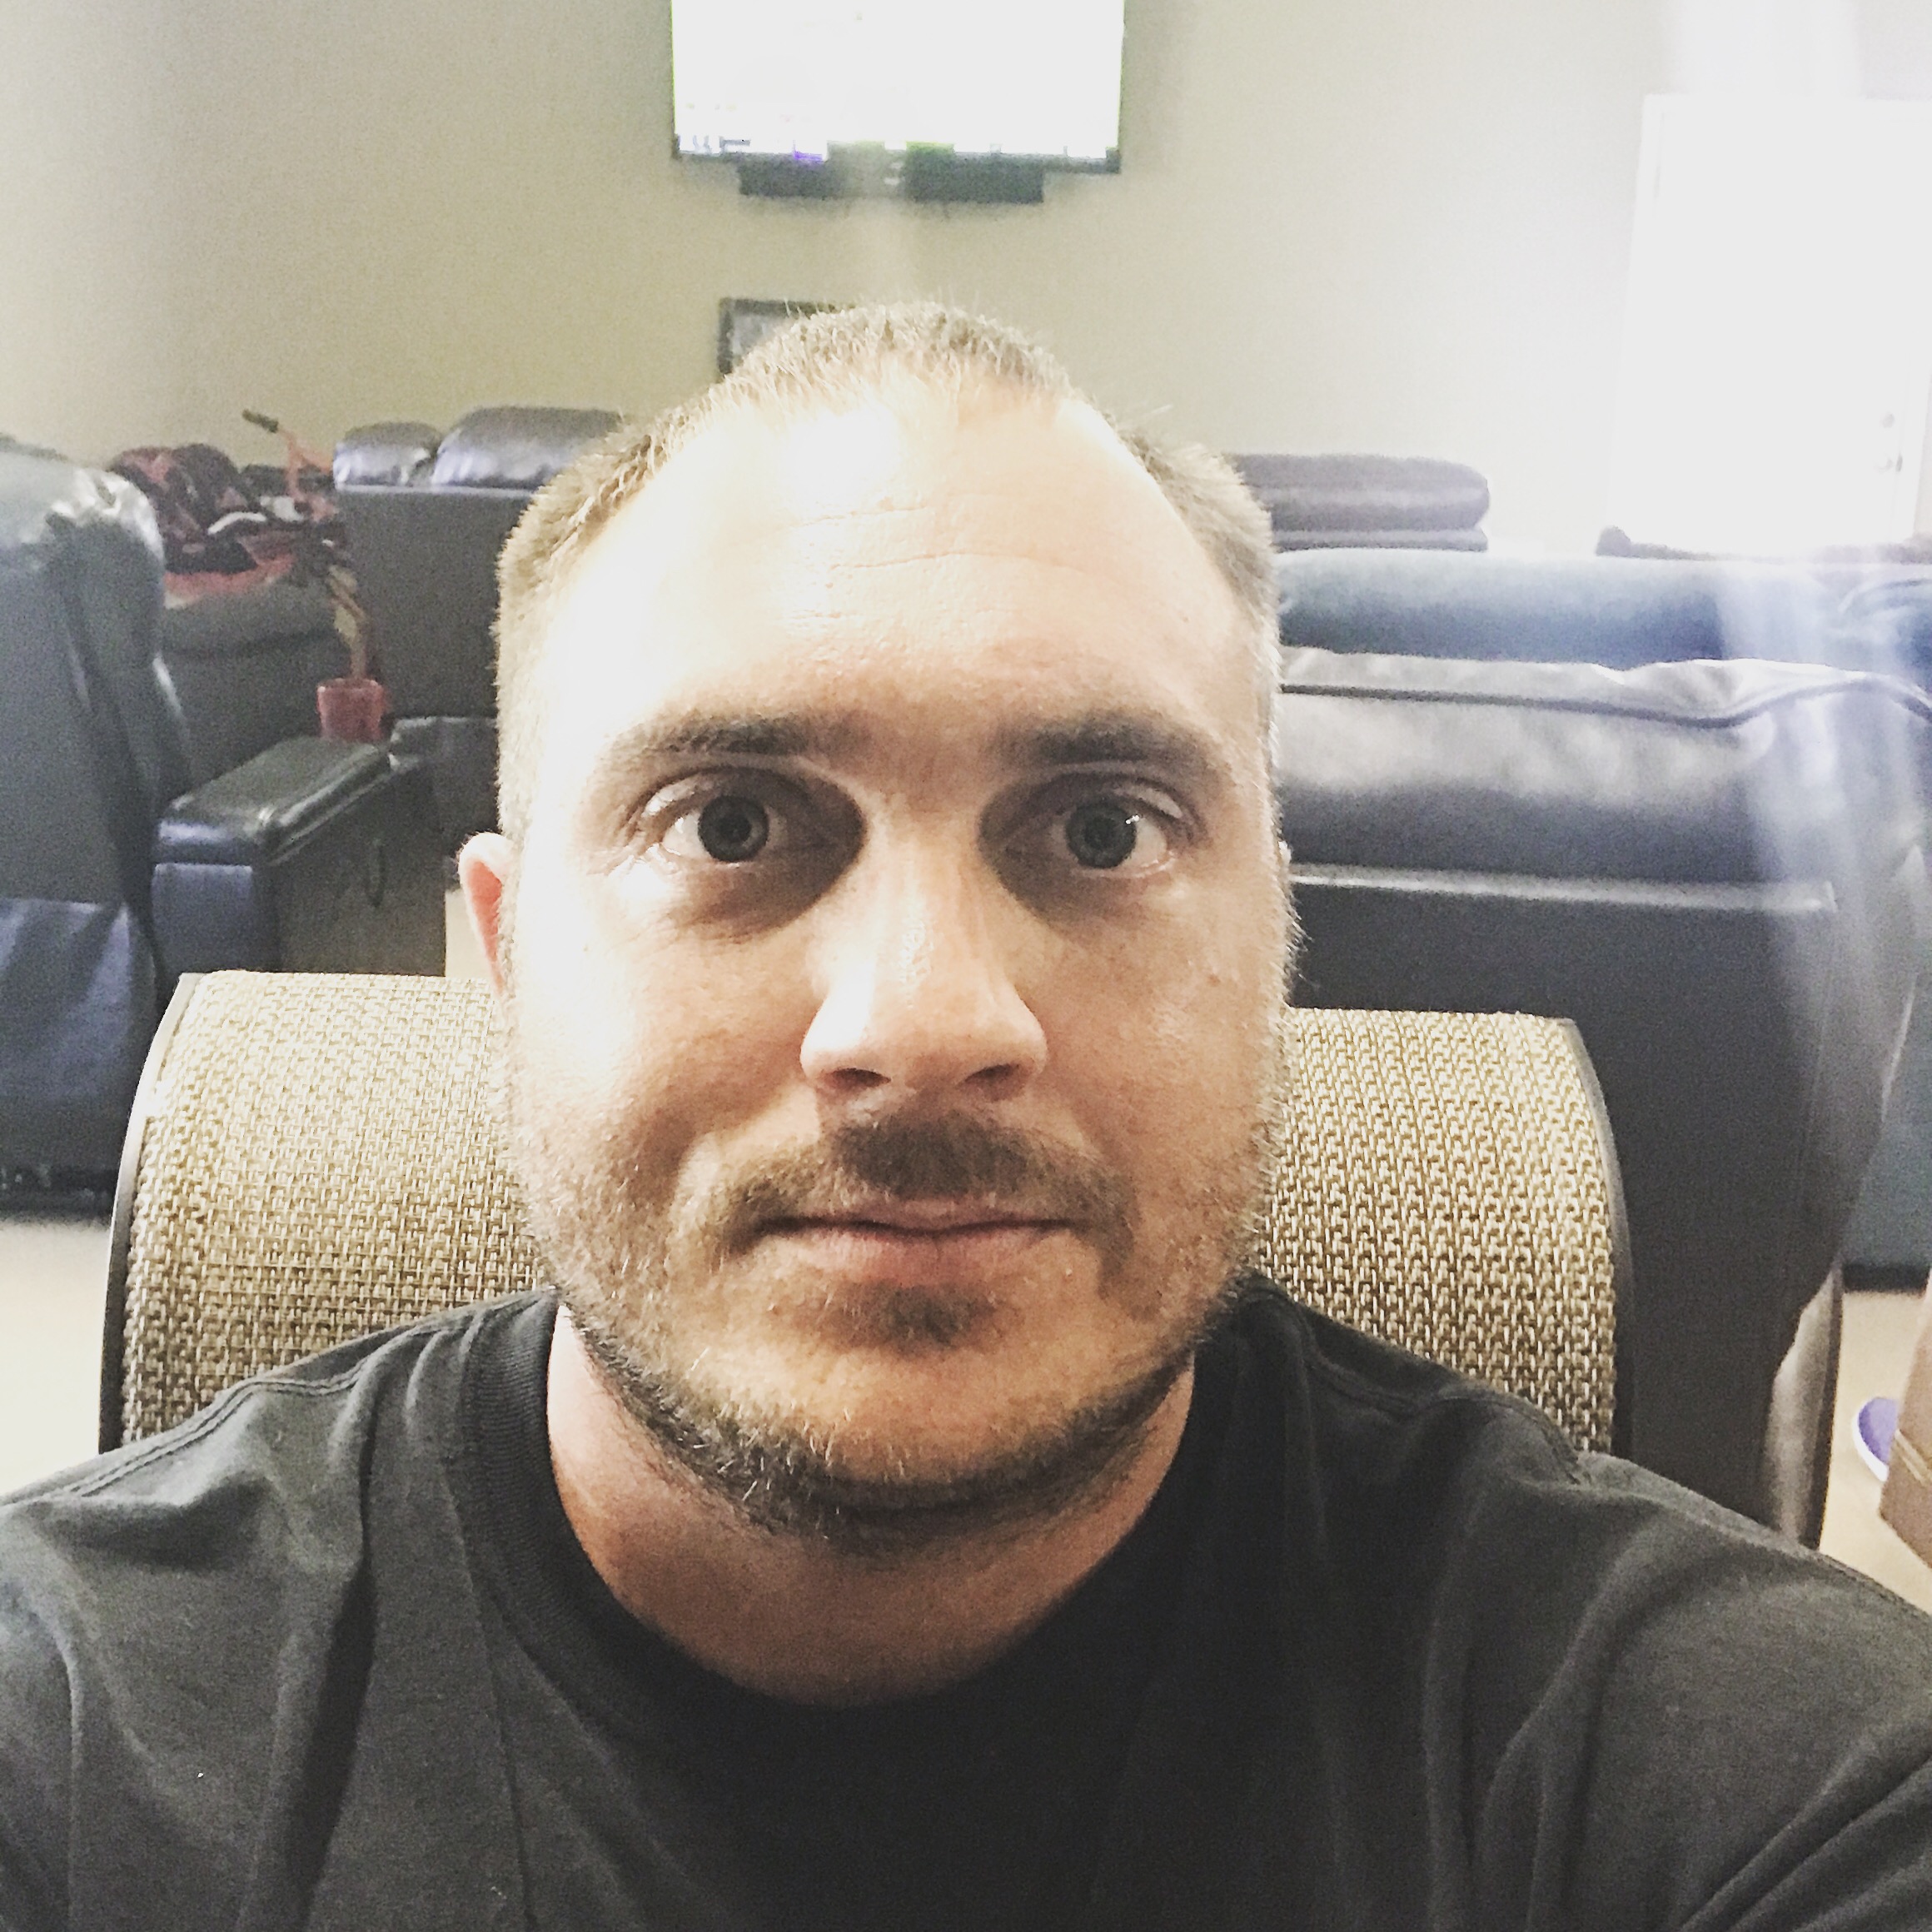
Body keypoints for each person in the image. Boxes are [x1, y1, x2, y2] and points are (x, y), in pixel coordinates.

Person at [3, 303, 1931, 1932]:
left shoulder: (1767, 1786)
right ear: (503, 959)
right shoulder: (72, 1726)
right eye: (733, 823)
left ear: (1270, 947)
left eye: (1097, 828)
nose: (922, 1023)